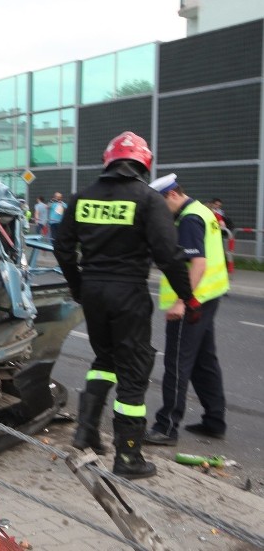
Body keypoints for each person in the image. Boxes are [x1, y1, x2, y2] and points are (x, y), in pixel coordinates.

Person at [53, 131, 199, 480]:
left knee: (104, 359)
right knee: (134, 369)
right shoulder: (147, 200)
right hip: (128, 293)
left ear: (109, 160)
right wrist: (188, 298)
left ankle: (86, 431)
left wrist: (78, 287)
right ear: (143, 163)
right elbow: (170, 255)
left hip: (93, 291)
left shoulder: (81, 198)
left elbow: (61, 247)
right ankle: (128, 457)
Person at [143, 175, 230, 446]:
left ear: (171, 195)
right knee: (205, 362)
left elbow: (199, 264)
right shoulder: (203, 211)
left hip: (193, 303)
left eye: (159, 204)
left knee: (177, 363)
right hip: (209, 297)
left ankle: (166, 427)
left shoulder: (190, 219)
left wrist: (182, 301)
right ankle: (214, 421)